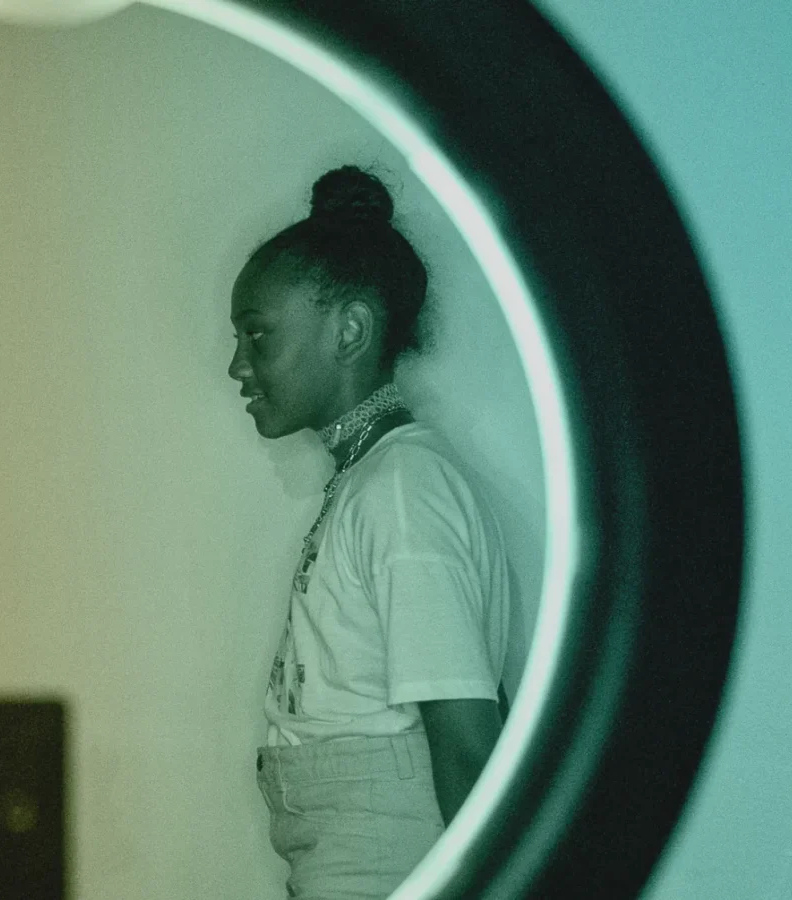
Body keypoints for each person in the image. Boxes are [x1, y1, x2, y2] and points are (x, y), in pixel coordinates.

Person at [228, 167, 512, 899]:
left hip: (380, 856)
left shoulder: (402, 491)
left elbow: (465, 740)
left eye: (257, 336)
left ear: (349, 329)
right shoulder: (370, 481)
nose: (237, 366)